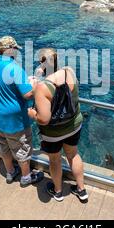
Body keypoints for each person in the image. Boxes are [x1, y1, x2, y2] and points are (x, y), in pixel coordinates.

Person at [28, 48, 88, 202]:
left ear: (42, 64)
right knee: (73, 155)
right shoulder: (70, 71)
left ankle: (58, 191)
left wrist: (32, 113)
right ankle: (81, 190)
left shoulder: (43, 87)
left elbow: (44, 119)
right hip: (74, 124)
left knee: (55, 160)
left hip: (53, 133)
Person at [0, 36, 43, 187]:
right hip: (15, 119)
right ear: (11, 50)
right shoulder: (15, 68)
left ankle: (10, 172)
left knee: (4, 146)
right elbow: (28, 94)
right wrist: (34, 84)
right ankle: (26, 177)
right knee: (22, 148)